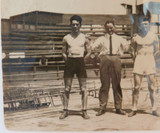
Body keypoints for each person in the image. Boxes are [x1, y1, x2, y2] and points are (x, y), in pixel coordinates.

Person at [91, 21, 129, 116]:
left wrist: (131, 40)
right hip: (105, 59)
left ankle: (118, 107)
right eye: (107, 28)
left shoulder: (119, 38)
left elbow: (126, 47)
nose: (110, 29)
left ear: (114, 27)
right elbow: (93, 47)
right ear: (105, 28)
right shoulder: (101, 39)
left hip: (116, 58)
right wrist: (98, 52)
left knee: (117, 84)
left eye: (111, 27)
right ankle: (102, 107)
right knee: (104, 84)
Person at [59, 15, 90, 119]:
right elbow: (63, 52)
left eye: (77, 24)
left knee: (83, 88)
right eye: (73, 24)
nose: (75, 26)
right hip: (70, 62)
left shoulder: (84, 37)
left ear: (80, 25)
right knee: (67, 88)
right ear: (70, 25)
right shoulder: (66, 38)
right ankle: (65, 110)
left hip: (80, 62)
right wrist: (67, 61)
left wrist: (83, 60)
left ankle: (84, 111)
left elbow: (89, 52)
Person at [128, 17, 159, 117]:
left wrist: (151, 58)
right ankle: (134, 108)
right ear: (140, 25)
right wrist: (136, 58)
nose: (145, 26)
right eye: (143, 24)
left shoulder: (153, 36)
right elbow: (131, 50)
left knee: (152, 87)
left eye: (146, 24)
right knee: (136, 87)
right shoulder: (136, 37)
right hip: (139, 60)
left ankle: (154, 109)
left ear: (149, 25)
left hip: (150, 60)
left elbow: (157, 50)